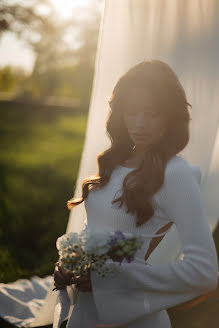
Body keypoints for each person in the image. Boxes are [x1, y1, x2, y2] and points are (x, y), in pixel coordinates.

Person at [53, 60, 218, 327]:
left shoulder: (175, 173)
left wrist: (112, 280)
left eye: (152, 113)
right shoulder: (114, 161)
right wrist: (71, 264)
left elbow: (204, 271)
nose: (139, 124)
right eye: (132, 111)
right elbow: (98, 231)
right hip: (85, 311)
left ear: (170, 116)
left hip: (131, 317)